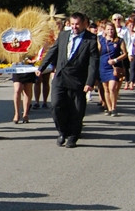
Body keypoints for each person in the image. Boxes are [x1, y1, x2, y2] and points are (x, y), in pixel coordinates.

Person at [36, 12, 99, 148]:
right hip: (60, 77)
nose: (74, 27)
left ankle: (73, 136)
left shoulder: (91, 39)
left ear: (83, 24)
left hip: (78, 79)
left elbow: (93, 63)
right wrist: (41, 67)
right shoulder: (64, 35)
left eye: (77, 24)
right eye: (72, 24)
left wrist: (90, 82)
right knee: (56, 105)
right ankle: (62, 131)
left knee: (76, 110)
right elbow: (53, 51)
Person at [98, 22, 126, 116]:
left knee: (112, 88)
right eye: (108, 29)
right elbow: (97, 52)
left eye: (112, 29)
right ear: (105, 30)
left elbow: (125, 53)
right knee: (105, 89)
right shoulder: (100, 40)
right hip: (103, 65)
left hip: (113, 67)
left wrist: (115, 60)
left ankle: (114, 108)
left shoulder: (119, 40)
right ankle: (108, 108)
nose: (110, 31)